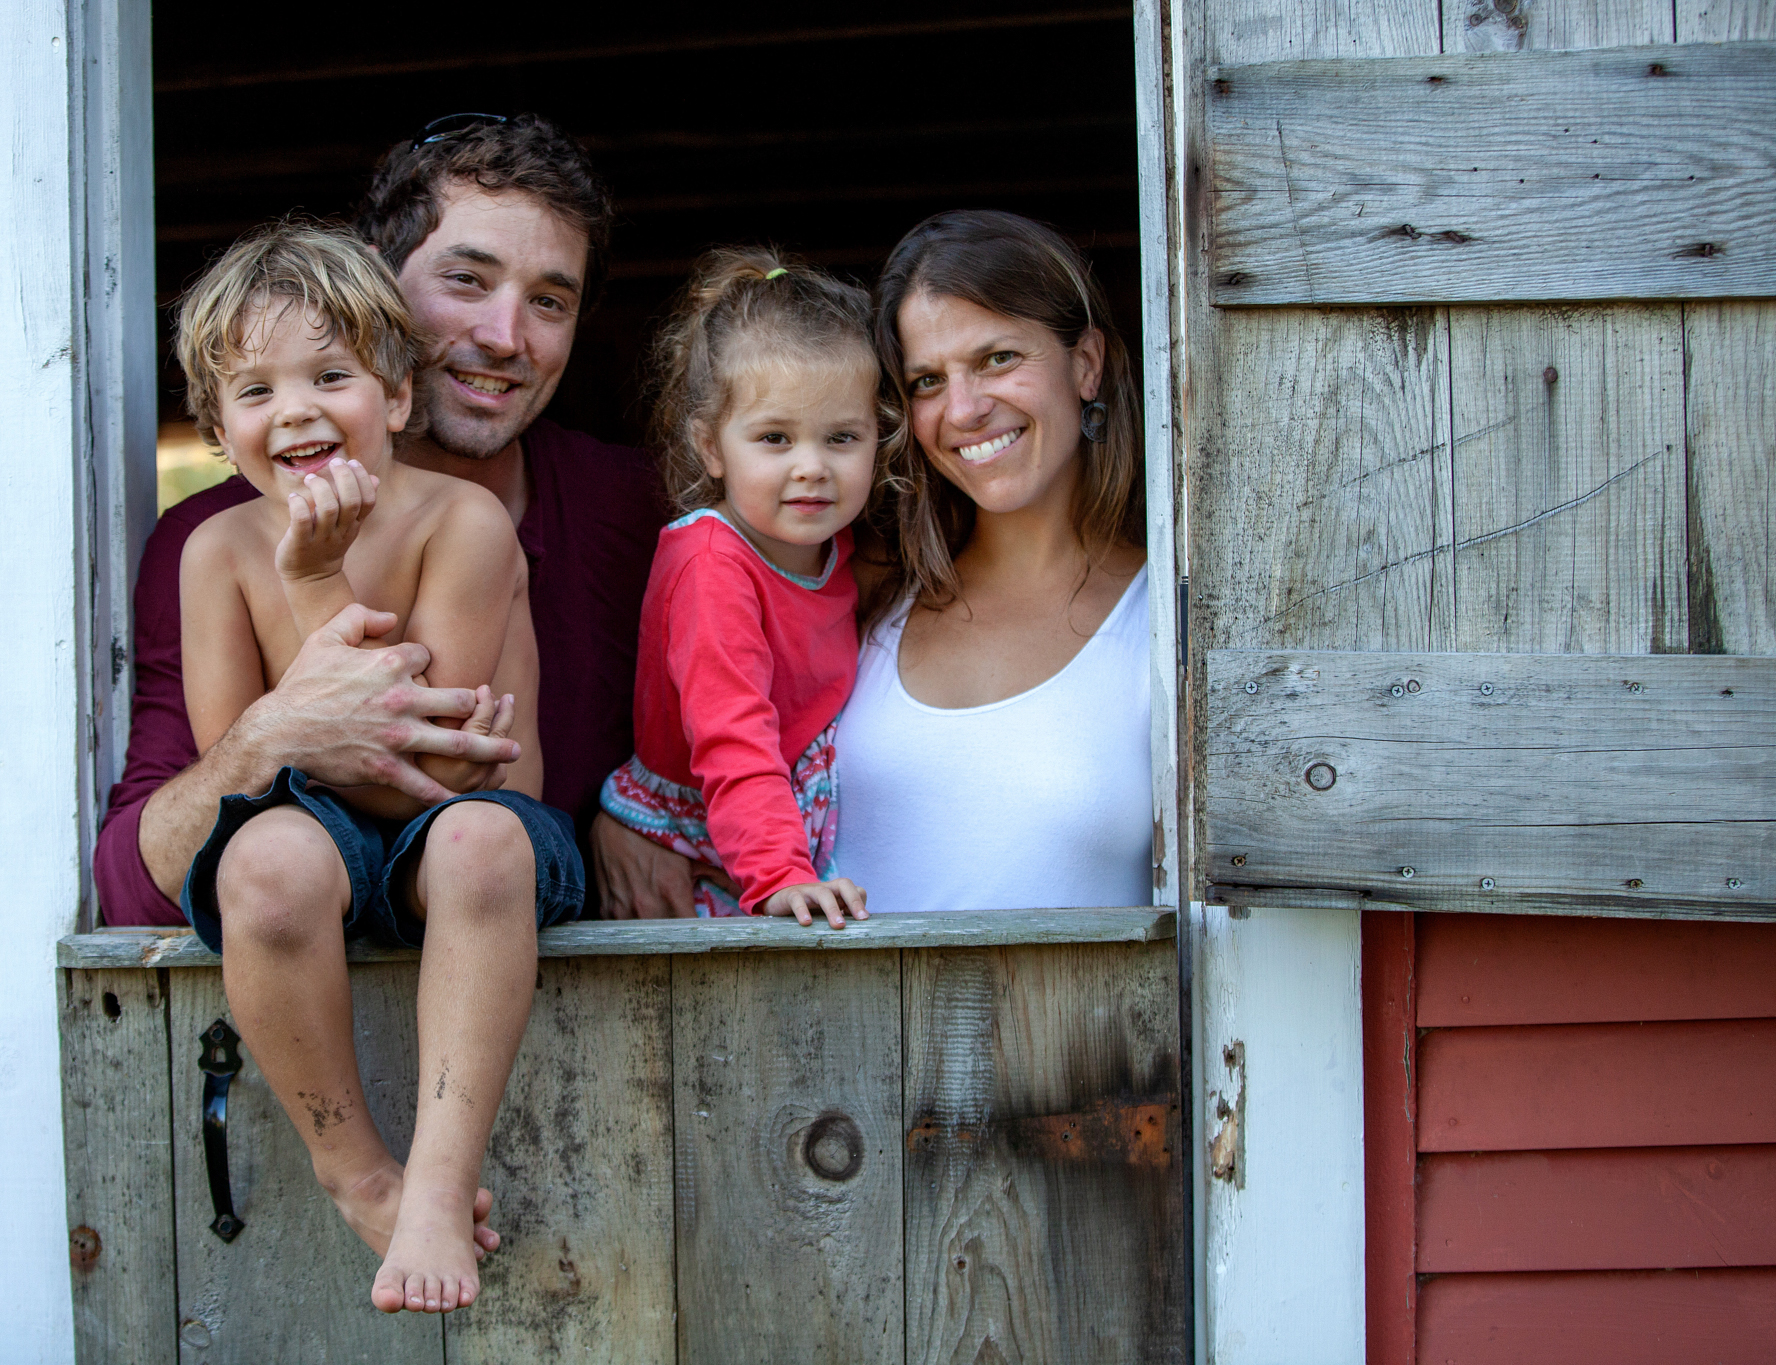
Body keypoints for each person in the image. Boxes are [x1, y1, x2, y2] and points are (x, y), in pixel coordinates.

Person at [93, 111, 674, 937]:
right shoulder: (219, 538)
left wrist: (650, 797)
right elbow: (134, 883)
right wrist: (276, 735)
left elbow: (814, 633)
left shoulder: (635, 508)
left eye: (548, 300)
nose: (505, 337)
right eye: (467, 280)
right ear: (373, 284)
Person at [172, 222, 574, 1316]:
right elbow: (249, 779)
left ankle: (439, 1186)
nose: (295, 409)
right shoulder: (213, 553)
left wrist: (310, 582)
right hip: (328, 840)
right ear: (218, 431)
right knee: (262, 864)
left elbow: (416, 778)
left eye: (331, 375)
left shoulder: (465, 521)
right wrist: (302, 691)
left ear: (396, 396)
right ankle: (357, 1171)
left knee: (478, 837)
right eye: (254, 390)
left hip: (467, 831)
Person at [834, 210, 1153, 910]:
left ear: (1086, 364)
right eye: (927, 381)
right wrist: (632, 816)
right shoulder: (864, 595)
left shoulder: (1168, 618)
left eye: (997, 358)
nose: (965, 409)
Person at [599, 250, 882, 929]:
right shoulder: (712, 564)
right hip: (705, 852)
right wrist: (781, 873)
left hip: (770, 837)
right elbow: (734, 736)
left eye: (842, 436)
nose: (811, 467)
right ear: (711, 447)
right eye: (775, 437)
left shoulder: (844, 551)